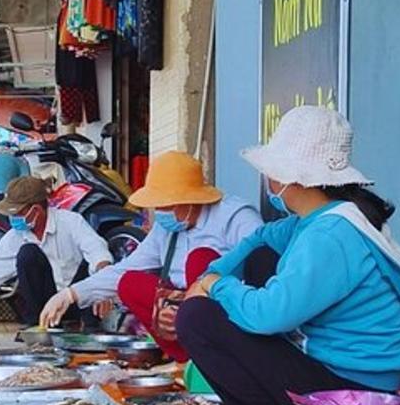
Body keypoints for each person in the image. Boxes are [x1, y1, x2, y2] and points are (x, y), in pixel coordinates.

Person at [176, 106, 400, 405]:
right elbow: (260, 241)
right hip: (352, 376)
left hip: (356, 392)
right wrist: (208, 275)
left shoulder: (329, 235)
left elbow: (268, 315)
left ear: (286, 178)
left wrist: (215, 286)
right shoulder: (324, 219)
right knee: (260, 259)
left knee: (197, 318)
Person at [39, 151, 263, 360]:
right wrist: (72, 294)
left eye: (166, 205)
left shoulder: (235, 217)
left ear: (190, 200)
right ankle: (185, 359)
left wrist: (202, 295)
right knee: (130, 283)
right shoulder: (166, 228)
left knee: (200, 260)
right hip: (181, 306)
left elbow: (259, 275)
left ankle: (216, 357)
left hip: (226, 307)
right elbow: (127, 268)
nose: (160, 212)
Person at [0, 175, 112, 326]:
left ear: (36, 209)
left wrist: (103, 285)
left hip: (77, 299)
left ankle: (89, 328)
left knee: (89, 268)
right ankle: (38, 326)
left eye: (17, 213)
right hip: (45, 305)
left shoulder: (71, 222)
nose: (12, 218)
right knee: (28, 253)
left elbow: (97, 252)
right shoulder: (15, 237)